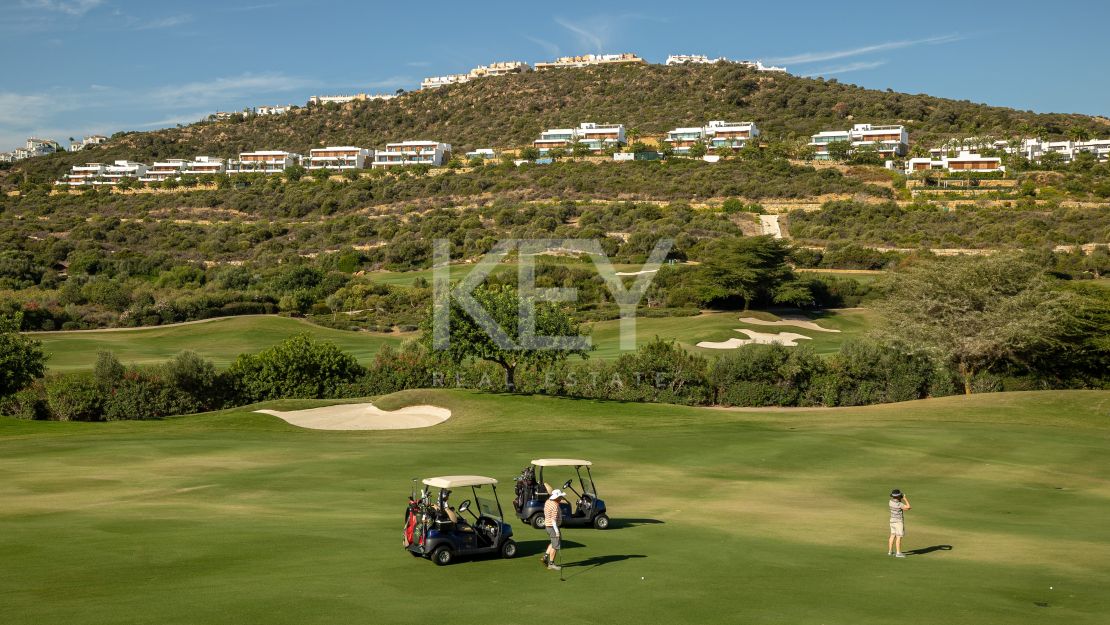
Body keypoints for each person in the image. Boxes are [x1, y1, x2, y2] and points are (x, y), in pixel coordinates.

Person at [542, 489, 566, 570]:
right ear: (557, 497)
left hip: (547, 526)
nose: (561, 498)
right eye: (560, 497)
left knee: (553, 542)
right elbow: (553, 521)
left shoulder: (548, 501)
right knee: (556, 545)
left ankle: (545, 556)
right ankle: (551, 564)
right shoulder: (555, 506)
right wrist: (557, 532)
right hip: (552, 527)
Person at [888, 489, 911, 557]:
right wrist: (905, 499)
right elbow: (908, 507)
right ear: (898, 496)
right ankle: (898, 553)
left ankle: (890, 551)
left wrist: (900, 498)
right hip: (898, 522)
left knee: (892, 535)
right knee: (898, 537)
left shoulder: (890, 502)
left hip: (892, 521)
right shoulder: (899, 504)